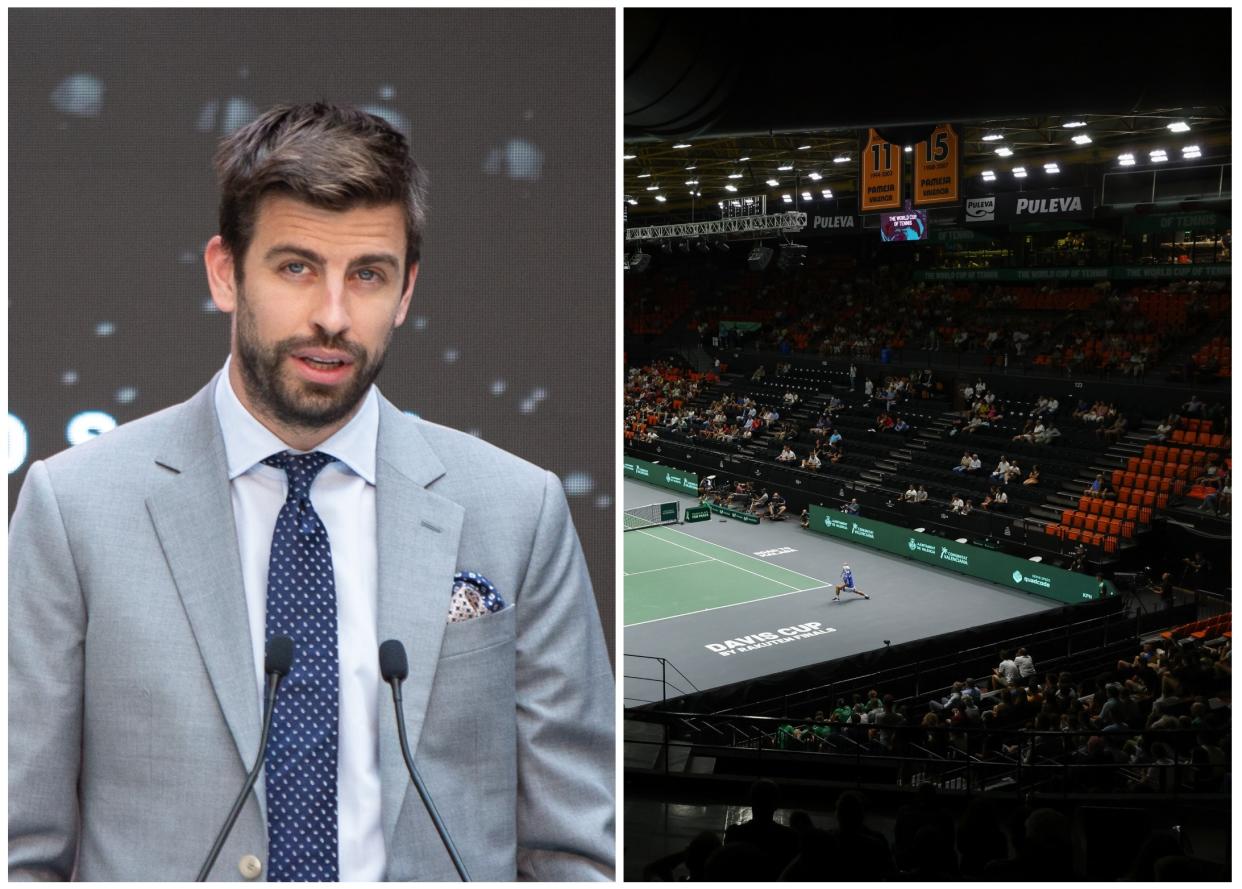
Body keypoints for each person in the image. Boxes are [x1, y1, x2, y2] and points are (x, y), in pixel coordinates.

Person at [8, 104, 613, 882]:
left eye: (367, 274)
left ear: (406, 291)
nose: (333, 316)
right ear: (226, 273)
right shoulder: (73, 507)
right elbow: (19, 845)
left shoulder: (518, 510)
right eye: (296, 267)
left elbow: (574, 849)